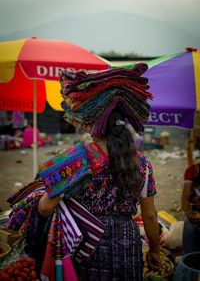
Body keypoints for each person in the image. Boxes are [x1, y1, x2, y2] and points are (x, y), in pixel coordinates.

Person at [5, 63, 161, 280]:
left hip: (87, 243)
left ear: (90, 124)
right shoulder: (142, 163)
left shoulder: (75, 159)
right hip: (129, 243)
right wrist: (154, 249)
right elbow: (150, 215)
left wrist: (34, 203)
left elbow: (46, 207)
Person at [181, 163, 200, 255]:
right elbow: (185, 195)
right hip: (197, 212)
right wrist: (188, 213)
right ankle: (187, 256)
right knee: (189, 224)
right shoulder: (192, 170)